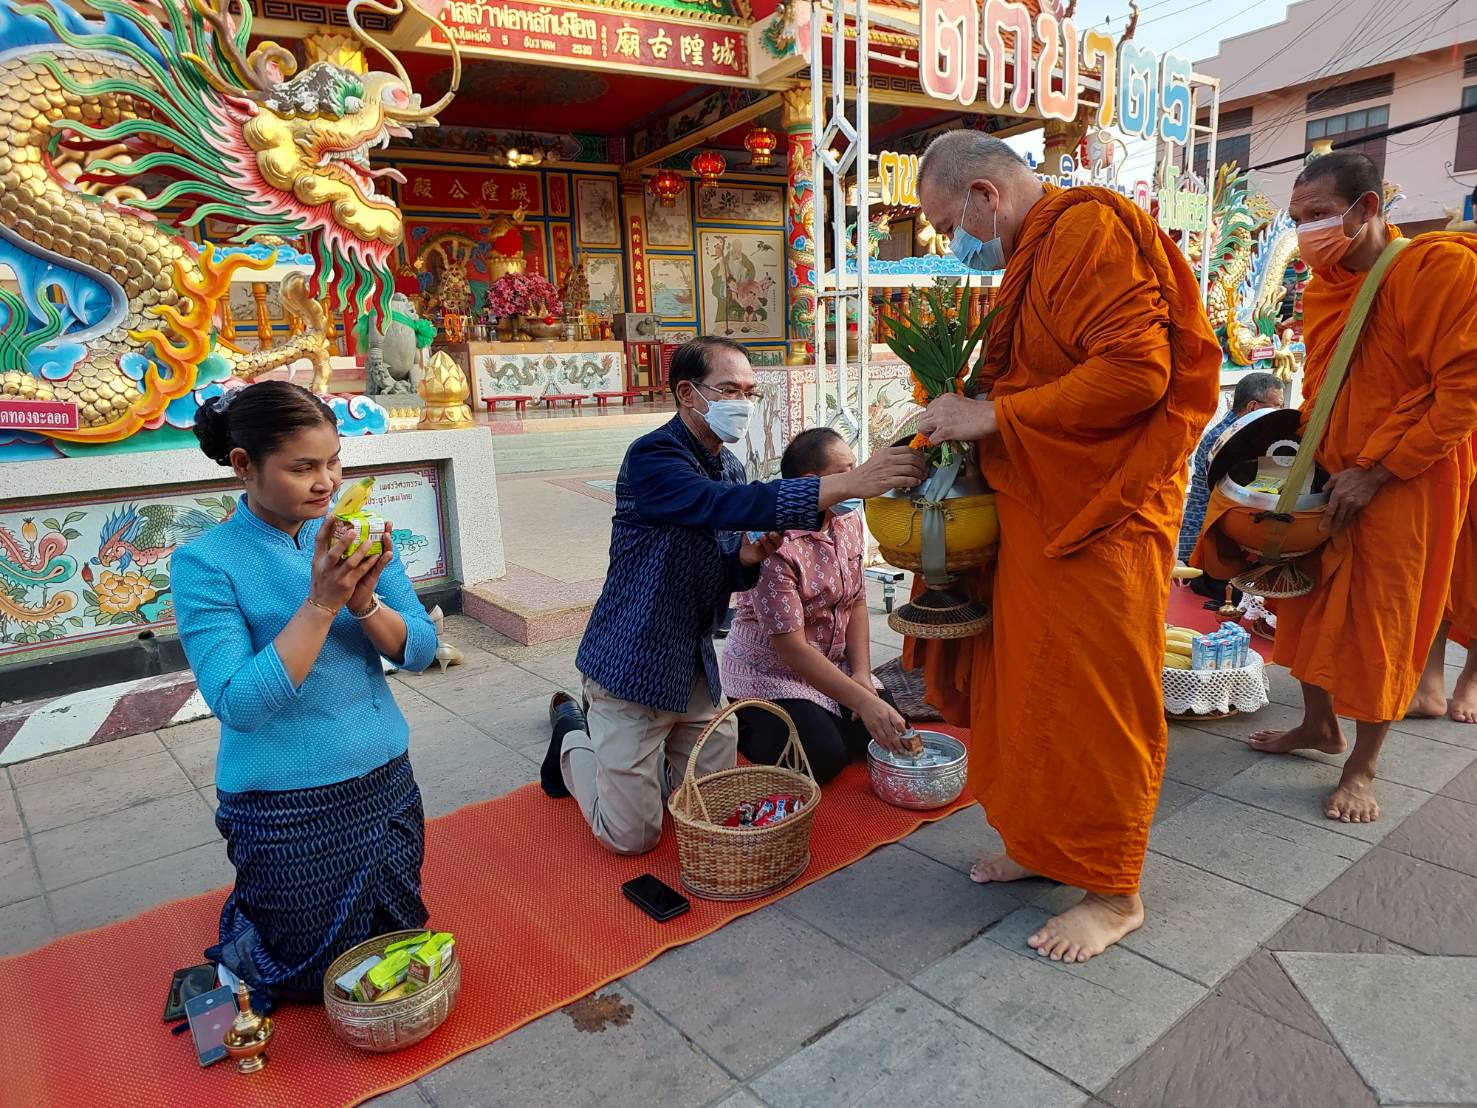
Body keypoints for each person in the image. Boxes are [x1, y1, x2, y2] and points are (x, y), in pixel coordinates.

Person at [909, 132, 1221, 961]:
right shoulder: (1031, 255)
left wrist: (993, 416)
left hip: (1103, 516)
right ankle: (1041, 845)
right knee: (1027, 691)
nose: (952, 245)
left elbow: (1135, 375)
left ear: (986, 196)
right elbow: (1045, 374)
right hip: (1041, 508)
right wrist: (963, 406)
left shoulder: (1085, 229)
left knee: (1091, 703)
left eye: (948, 226)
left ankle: (1114, 892)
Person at [541, 337, 925, 854]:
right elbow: (718, 504)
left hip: (694, 666)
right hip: (630, 664)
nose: (741, 403)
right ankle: (572, 734)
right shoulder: (653, 457)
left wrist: (743, 560)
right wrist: (847, 482)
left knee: (714, 807)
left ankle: (637, 757)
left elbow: (725, 561)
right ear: (687, 393)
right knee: (632, 836)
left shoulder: (732, 467)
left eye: (749, 392)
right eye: (728, 390)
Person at [171, 381, 439, 1001]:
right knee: (303, 975)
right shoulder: (207, 563)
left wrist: (366, 601)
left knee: (394, 941)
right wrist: (321, 602)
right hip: (285, 801)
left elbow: (420, 651)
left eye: (334, 462)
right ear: (244, 465)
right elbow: (238, 702)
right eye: (303, 467)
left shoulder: (353, 533)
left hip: (384, 778)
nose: (327, 482)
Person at [1245, 151, 1477, 821]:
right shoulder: (1322, 283)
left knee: (1386, 622)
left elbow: (1461, 396)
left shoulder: (1438, 272)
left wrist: (1376, 473)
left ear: (1367, 208)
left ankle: (1362, 769)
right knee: (1302, 601)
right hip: (1325, 477)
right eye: (1297, 219)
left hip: (1407, 482)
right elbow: (1323, 385)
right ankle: (1318, 726)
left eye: (1318, 215)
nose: (1306, 231)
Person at [720, 427, 907, 783]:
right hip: (772, 673)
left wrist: (862, 676)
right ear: (811, 481)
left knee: (883, 737)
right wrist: (862, 702)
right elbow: (791, 649)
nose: (858, 478)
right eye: (848, 470)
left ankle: (835, 708)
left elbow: (857, 601)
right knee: (823, 759)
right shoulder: (773, 539)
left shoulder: (848, 519)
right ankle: (740, 719)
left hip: (832, 662)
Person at [1177, 372, 1285, 602]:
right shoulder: (1225, 439)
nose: (1279, 413)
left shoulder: (1250, 433)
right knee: (1249, 597)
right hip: (1209, 548)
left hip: (1229, 539)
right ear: (1253, 406)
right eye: (1276, 407)